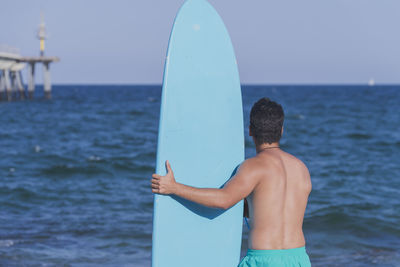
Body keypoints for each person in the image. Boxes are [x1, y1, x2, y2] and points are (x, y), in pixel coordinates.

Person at [151, 97, 312, 266]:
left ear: (250, 131)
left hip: (264, 260)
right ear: (281, 130)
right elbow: (275, 209)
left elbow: (223, 200)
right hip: (299, 258)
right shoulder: (301, 169)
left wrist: (174, 188)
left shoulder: (253, 167)